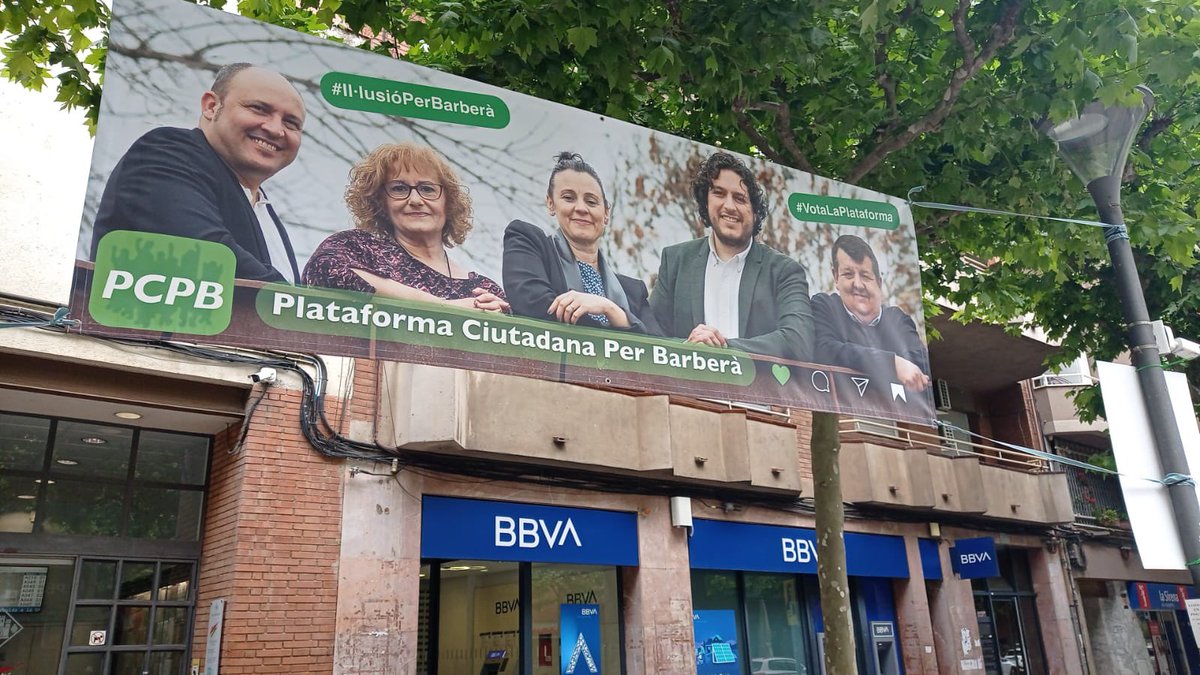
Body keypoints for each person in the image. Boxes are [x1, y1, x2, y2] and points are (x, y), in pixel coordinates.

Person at [91, 63, 305, 282]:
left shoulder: (263, 206)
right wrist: (299, 309)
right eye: (259, 108)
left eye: (291, 123)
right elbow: (208, 255)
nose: (275, 129)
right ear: (212, 106)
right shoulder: (167, 151)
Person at [301, 143, 508, 312]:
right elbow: (325, 271)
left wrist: (499, 317)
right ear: (380, 203)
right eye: (399, 189)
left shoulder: (483, 290)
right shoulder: (356, 247)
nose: (415, 199)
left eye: (427, 189)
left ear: (449, 201)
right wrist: (446, 308)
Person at [649, 151, 812, 360]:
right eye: (719, 193)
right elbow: (652, 335)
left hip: (759, 390)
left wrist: (723, 348)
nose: (729, 206)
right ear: (706, 204)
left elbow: (799, 341)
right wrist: (688, 347)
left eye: (740, 198)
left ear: (754, 213)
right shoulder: (676, 261)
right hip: (687, 390)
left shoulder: (784, 271)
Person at [502, 152, 657, 333]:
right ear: (551, 203)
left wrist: (610, 309)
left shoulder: (633, 290)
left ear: (606, 213)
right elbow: (534, 307)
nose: (581, 208)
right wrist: (617, 326)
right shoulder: (528, 242)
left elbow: (658, 345)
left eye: (591, 201)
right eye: (568, 198)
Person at [810, 234, 930, 391]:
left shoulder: (897, 320)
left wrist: (854, 357)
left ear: (879, 282)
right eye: (848, 274)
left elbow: (920, 366)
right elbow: (823, 349)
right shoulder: (824, 306)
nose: (858, 284)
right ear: (835, 278)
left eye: (865, 276)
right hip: (846, 412)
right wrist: (892, 363)